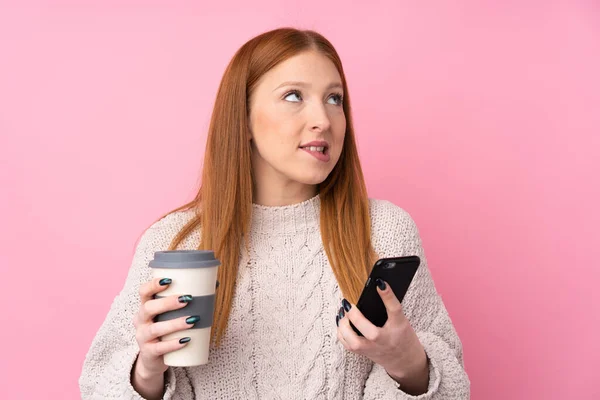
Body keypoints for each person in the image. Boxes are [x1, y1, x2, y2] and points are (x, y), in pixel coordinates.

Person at [79, 27, 470, 399]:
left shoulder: (383, 232)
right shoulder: (176, 242)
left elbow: (454, 388)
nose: (323, 119)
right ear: (243, 117)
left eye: (335, 99)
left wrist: (408, 365)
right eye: (294, 96)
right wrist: (147, 370)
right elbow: (98, 387)